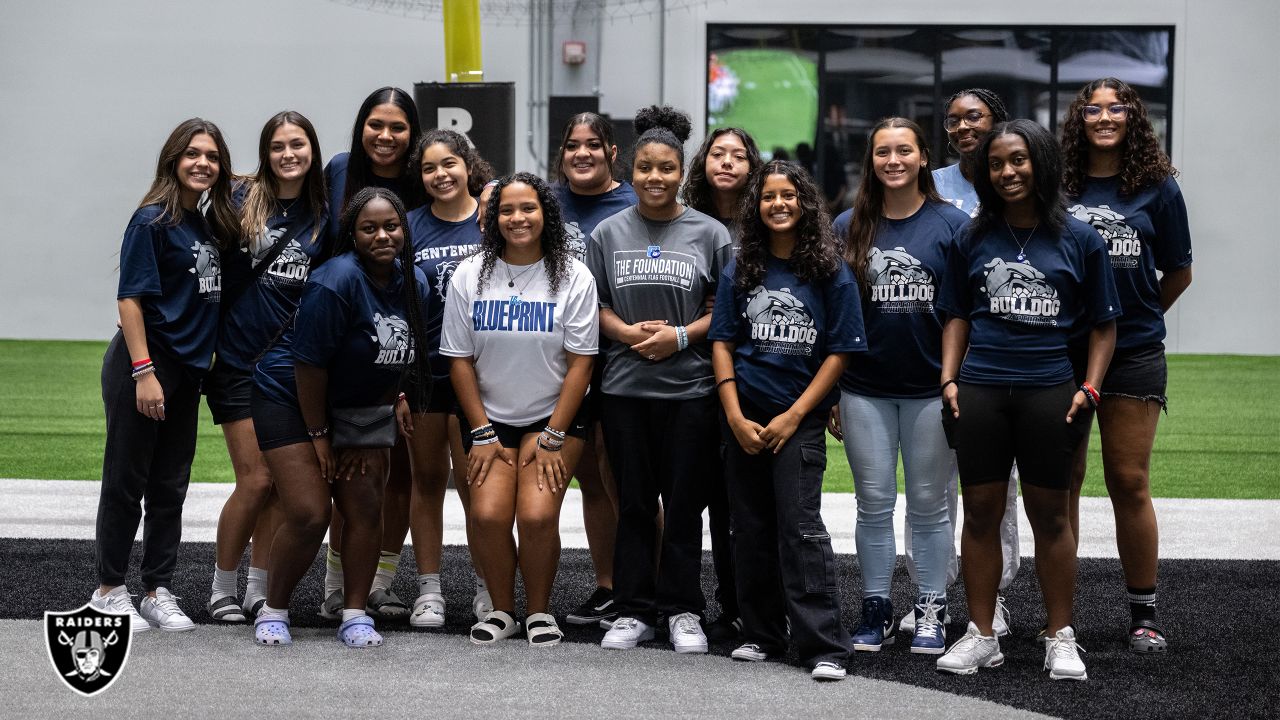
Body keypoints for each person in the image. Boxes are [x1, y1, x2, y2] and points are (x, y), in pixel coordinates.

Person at [935, 119, 1120, 680]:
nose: (1008, 172)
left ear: (1040, 162)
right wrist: (949, 380)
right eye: (996, 164)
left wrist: (1090, 387)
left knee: (1051, 518)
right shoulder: (971, 236)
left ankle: (1060, 636)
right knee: (982, 515)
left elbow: (1105, 325)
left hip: (1049, 391)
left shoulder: (1080, 238)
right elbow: (957, 314)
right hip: (982, 390)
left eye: (1018, 160)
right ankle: (982, 634)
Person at [250, 187, 432, 647]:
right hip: (291, 397)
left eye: (391, 226)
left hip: (355, 402)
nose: (382, 235)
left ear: (404, 231)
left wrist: (395, 400)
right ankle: (274, 610)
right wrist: (321, 436)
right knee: (311, 512)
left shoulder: (417, 283)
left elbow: (400, 354)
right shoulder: (336, 280)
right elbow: (310, 366)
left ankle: (354, 614)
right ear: (352, 235)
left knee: (365, 505)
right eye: (368, 228)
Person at [586, 105, 733, 654]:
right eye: (645, 167)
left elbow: (725, 309)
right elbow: (592, 305)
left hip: (690, 391)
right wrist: (625, 333)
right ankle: (632, 610)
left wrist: (680, 336)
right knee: (634, 505)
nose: (655, 177)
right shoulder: (607, 231)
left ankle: (681, 609)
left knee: (685, 504)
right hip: (624, 390)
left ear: (681, 172)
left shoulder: (710, 232)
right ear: (631, 170)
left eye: (666, 168)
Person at [709, 160, 864, 681]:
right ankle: (762, 633)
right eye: (768, 196)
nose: (778, 204)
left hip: (798, 422)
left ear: (804, 203)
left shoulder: (829, 271)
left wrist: (796, 414)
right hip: (744, 421)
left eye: (788, 196)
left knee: (800, 529)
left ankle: (824, 644)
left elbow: (840, 352)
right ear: (756, 206)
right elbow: (724, 342)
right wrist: (733, 414)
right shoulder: (741, 266)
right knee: (748, 529)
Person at [1060, 77, 1193, 653]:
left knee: (1129, 481)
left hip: (1135, 352)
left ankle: (1143, 613)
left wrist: (1128, 320)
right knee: (1062, 481)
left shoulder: (1157, 189)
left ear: (1133, 117)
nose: (1105, 117)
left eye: (1118, 108)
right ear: (1080, 118)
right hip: (1061, 350)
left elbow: (1180, 271)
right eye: (1094, 108)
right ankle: (1060, 619)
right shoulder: (1058, 185)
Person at [91, 118, 238, 632]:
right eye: (193, 154)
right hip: (145, 366)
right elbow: (129, 300)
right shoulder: (152, 220)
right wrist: (144, 372)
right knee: (126, 480)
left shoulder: (207, 225)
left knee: (170, 485)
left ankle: (156, 589)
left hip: (187, 373)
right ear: (173, 159)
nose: (203, 163)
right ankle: (109, 589)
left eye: (213, 157)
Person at [441, 172, 599, 646]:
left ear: (546, 214)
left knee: (534, 515)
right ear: (492, 220)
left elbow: (581, 363)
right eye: (506, 211)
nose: (517, 218)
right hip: (488, 418)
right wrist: (483, 433)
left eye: (527, 208)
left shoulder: (573, 274)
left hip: (554, 417)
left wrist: (553, 435)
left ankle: (538, 611)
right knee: (487, 516)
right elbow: (459, 360)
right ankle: (503, 610)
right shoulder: (470, 274)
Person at [829, 118, 968, 655]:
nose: (893, 160)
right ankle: (877, 605)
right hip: (864, 387)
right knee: (873, 503)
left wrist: (955, 379)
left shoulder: (951, 224)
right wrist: (832, 392)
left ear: (923, 157)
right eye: (883, 152)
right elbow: (835, 313)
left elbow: (964, 311)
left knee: (931, 506)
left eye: (904, 150)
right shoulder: (849, 224)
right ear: (872, 160)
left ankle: (931, 606)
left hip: (931, 389)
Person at [898, 88, 1019, 639]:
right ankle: (931, 595)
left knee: (994, 489)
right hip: (931, 354)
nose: (964, 126)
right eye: (953, 120)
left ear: (998, 122)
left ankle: (991, 597)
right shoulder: (932, 184)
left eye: (975, 117)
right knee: (929, 488)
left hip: (1000, 360)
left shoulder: (1015, 182)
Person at [207, 112, 329, 623]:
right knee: (254, 479)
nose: (288, 155)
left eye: (297, 144)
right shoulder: (240, 201)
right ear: (265, 152)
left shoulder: (325, 213)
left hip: (287, 368)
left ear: (312, 149)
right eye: (277, 146)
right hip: (237, 361)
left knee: (280, 482)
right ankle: (221, 586)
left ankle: (258, 586)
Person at [319, 86, 425, 619]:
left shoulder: (421, 177)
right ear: (361, 127)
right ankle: (336, 582)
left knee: (397, 471)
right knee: (346, 470)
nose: (386, 136)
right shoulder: (339, 171)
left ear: (414, 133)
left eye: (398, 127)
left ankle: (379, 581)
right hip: (341, 340)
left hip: (399, 343)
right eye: (375, 125)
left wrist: (402, 383)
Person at [396, 129, 493, 629]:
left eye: (449, 163)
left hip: (481, 376)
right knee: (428, 478)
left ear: (468, 164)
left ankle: (485, 585)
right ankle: (429, 588)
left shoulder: (491, 219)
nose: (441, 175)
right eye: (430, 168)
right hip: (424, 372)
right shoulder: (409, 227)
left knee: (477, 485)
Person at [551, 112, 637, 627]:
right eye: (572, 144)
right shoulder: (545, 203)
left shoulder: (633, 202)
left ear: (611, 151)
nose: (582, 153)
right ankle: (608, 584)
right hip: (560, 360)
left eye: (593, 144)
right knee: (590, 476)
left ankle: (642, 585)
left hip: (623, 358)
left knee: (627, 477)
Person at [678, 126, 763, 639]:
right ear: (703, 163)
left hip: (751, 374)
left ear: (752, 165)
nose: (727, 163)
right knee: (699, 495)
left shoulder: (764, 222)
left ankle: (743, 604)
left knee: (742, 505)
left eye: (737, 155)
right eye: (717, 154)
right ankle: (698, 603)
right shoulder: (685, 222)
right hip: (691, 376)